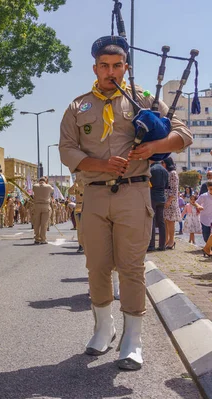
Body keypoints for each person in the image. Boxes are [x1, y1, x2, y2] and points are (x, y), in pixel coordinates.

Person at [59, 35, 192, 370]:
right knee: (97, 266)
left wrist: (154, 146)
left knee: (132, 267)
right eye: (104, 65)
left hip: (134, 192)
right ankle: (104, 329)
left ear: (126, 67)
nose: (111, 72)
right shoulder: (78, 106)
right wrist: (100, 164)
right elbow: (67, 150)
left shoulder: (143, 100)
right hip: (95, 194)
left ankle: (133, 340)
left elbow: (183, 134)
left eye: (117, 66)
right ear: (95, 68)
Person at [148, 160, 168, 252]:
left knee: (152, 220)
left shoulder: (151, 169)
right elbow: (166, 186)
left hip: (152, 197)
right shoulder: (165, 171)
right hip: (162, 197)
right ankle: (162, 245)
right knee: (161, 222)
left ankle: (151, 245)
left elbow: (147, 184)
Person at [162, 157, 181, 249]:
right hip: (166, 199)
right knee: (165, 221)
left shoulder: (173, 173)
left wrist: (169, 200)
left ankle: (171, 241)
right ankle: (166, 240)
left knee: (170, 221)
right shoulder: (167, 173)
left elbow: (174, 189)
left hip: (171, 201)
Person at [31, 177, 54, 244]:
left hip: (37, 206)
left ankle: (37, 238)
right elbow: (52, 190)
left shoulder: (35, 186)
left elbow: (33, 190)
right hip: (45, 206)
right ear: (45, 181)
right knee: (44, 223)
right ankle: (43, 239)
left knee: (37, 223)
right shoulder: (48, 186)